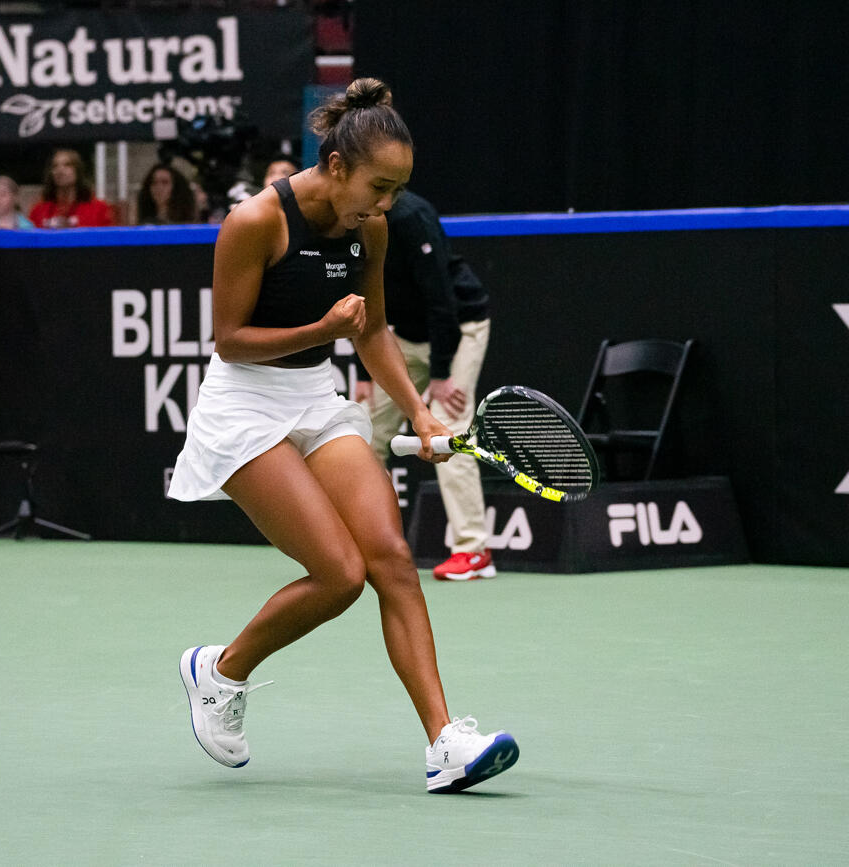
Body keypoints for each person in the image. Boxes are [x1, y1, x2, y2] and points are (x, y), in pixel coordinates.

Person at [169, 78, 518, 793]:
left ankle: (445, 743)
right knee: (339, 575)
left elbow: (377, 331)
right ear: (335, 167)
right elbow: (231, 341)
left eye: (396, 190)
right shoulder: (255, 222)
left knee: (390, 555)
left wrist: (420, 412)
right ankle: (220, 670)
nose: (386, 204)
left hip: (312, 397)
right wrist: (322, 329)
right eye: (378, 186)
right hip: (243, 405)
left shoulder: (373, 227)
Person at [354, 189, 495, 580]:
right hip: (405, 335)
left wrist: (441, 374)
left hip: (457, 329)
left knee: (449, 430)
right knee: (365, 431)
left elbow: (441, 299)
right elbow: (359, 300)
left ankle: (473, 551)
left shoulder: (412, 217)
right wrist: (366, 375)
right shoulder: (352, 217)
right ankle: (368, 541)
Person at [28, 149, 113, 228]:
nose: (60, 170)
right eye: (55, 166)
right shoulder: (39, 210)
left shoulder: (99, 209)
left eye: (67, 165)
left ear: (78, 171)